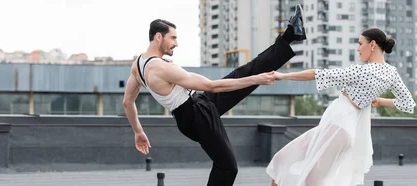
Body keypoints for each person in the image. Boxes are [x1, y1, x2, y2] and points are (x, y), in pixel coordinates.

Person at [122, 5, 307, 186]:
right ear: (158, 37)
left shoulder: (138, 65)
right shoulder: (161, 68)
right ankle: (284, 42)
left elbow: (127, 102)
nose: (176, 43)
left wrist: (138, 132)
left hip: (197, 106)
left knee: (244, 71)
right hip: (196, 116)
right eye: (173, 38)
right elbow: (211, 85)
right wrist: (255, 80)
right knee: (227, 168)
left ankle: (291, 34)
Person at [266, 28, 416, 186]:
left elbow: (316, 74)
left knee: (310, 178)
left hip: (338, 127)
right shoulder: (391, 73)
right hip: (338, 128)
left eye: (360, 44)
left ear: (372, 44)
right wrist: (378, 99)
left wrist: (283, 75)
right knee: (285, 159)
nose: (358, 49)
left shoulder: (361, 71)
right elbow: (408, 103)